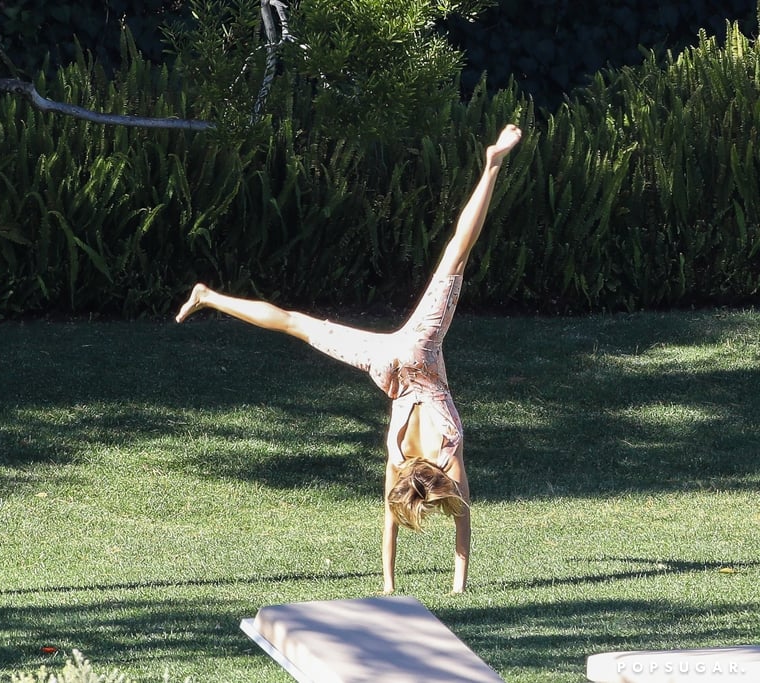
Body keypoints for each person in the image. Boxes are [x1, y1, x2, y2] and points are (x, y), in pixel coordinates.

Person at [175, 125, 523, 593]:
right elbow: (417, 522)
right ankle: (493, 164)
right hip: (396, 362)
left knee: (449, 260)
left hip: (404, 358)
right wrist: (412, 587)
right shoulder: (402, 460)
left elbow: (454, 526)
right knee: (448, 261)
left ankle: (211, 296)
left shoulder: (438, 462)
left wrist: (400, 587)